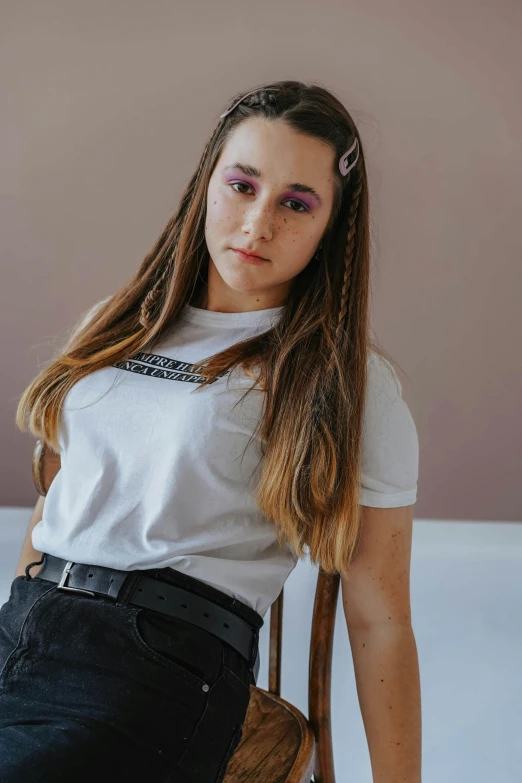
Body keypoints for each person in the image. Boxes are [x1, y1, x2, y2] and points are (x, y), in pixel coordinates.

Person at [2, 80, 420, 782]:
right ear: (208, 185)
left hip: (163, 665)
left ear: (330, 227)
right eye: (243, 185)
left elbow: (380, 619)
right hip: (27, 630)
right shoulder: (115, 326)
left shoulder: (345, 380)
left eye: (295, 203)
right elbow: (53, 511)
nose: (258, 223)